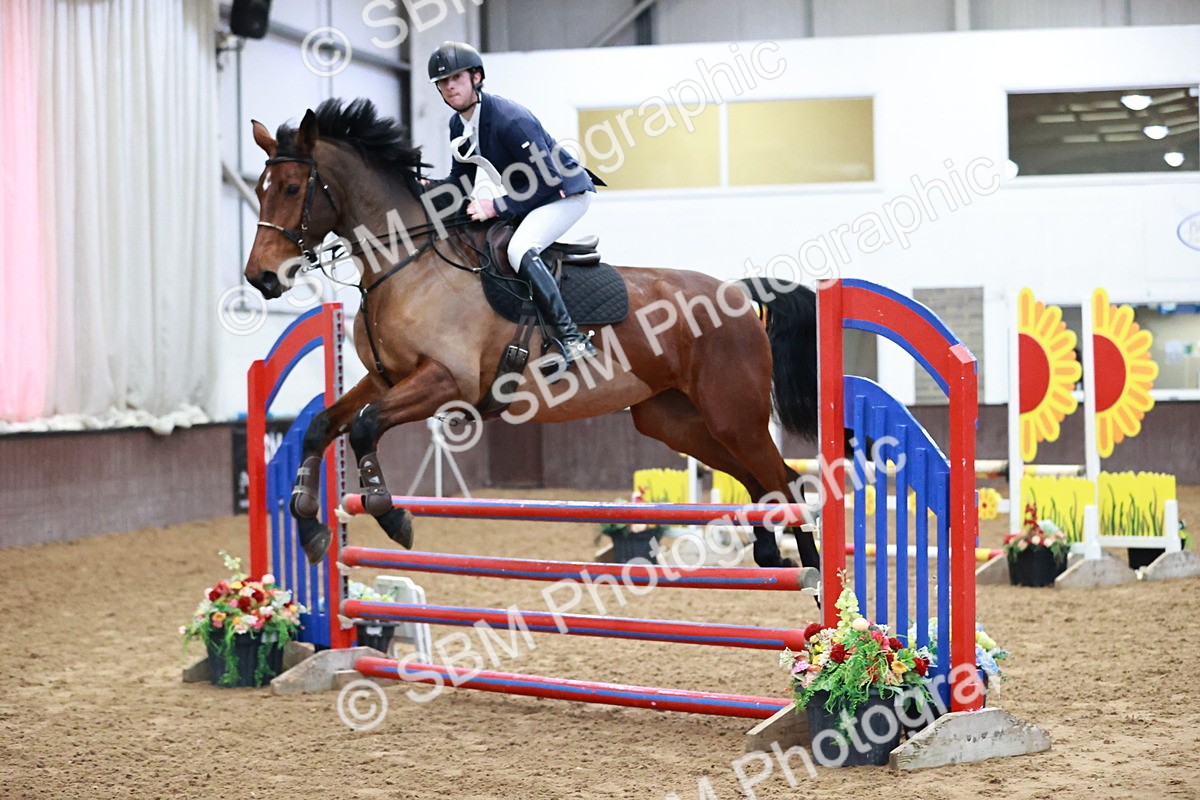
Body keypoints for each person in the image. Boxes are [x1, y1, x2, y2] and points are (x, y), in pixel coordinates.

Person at [424, 41, 597, 363]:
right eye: (442, 83)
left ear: (476, 77)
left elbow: (547, 180)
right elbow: (461, 182)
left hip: (563, 194)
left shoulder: (509, 118)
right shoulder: (457, 125)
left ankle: (573, 339)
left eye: (456, 78)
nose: (449, 87)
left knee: (519, 248)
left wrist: (496, 206)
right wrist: (423, 188)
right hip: (530, 195)